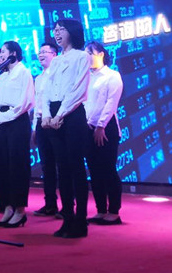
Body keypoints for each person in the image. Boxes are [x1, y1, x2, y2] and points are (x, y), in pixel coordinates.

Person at [43, 19, 90, 238]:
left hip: (72, 114)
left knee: (75, 167)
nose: (57, 33)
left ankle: (80, 221)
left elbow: (78, 90)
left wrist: (60, 114)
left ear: (72, 31)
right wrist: (47, 114)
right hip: (54, 114)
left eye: (61, 29)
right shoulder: (56, 61)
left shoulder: (82, 56)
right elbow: (46, 89)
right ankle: (67, 217)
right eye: (55, 30)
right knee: (62, 169)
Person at [0, 41, 35, 228]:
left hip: (16, 122)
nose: (0, 55)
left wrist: (4, 117)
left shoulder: (24, 73)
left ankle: (19, 209)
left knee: (17, 165)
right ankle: (7, 206)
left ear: (14, 54)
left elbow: (26, 102)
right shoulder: (2, 76)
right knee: (1, 165)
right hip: (1, 122)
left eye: (3, 52)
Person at [85, 41, 124, 225]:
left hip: (106, 128)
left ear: (100, 54)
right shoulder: (87, 77)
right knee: (94, 171)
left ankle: (114, 211)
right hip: (87, 128)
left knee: (108, 169)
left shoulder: (112, 75)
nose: (87, 57)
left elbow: (111, 104)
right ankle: (100, 209)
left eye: (90, 53)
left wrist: (100, 126)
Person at [32, 42, 61, 217]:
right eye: (40, 52)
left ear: (54, 54)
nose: (41, 55)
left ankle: (68, 205)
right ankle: (50, 203)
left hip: (56, 122)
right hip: (41, 123)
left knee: (62, 164)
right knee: (46, 165)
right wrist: (34, 127)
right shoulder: (38, 78)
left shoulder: (59, 74)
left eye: (45, 52)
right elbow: (38, 104)